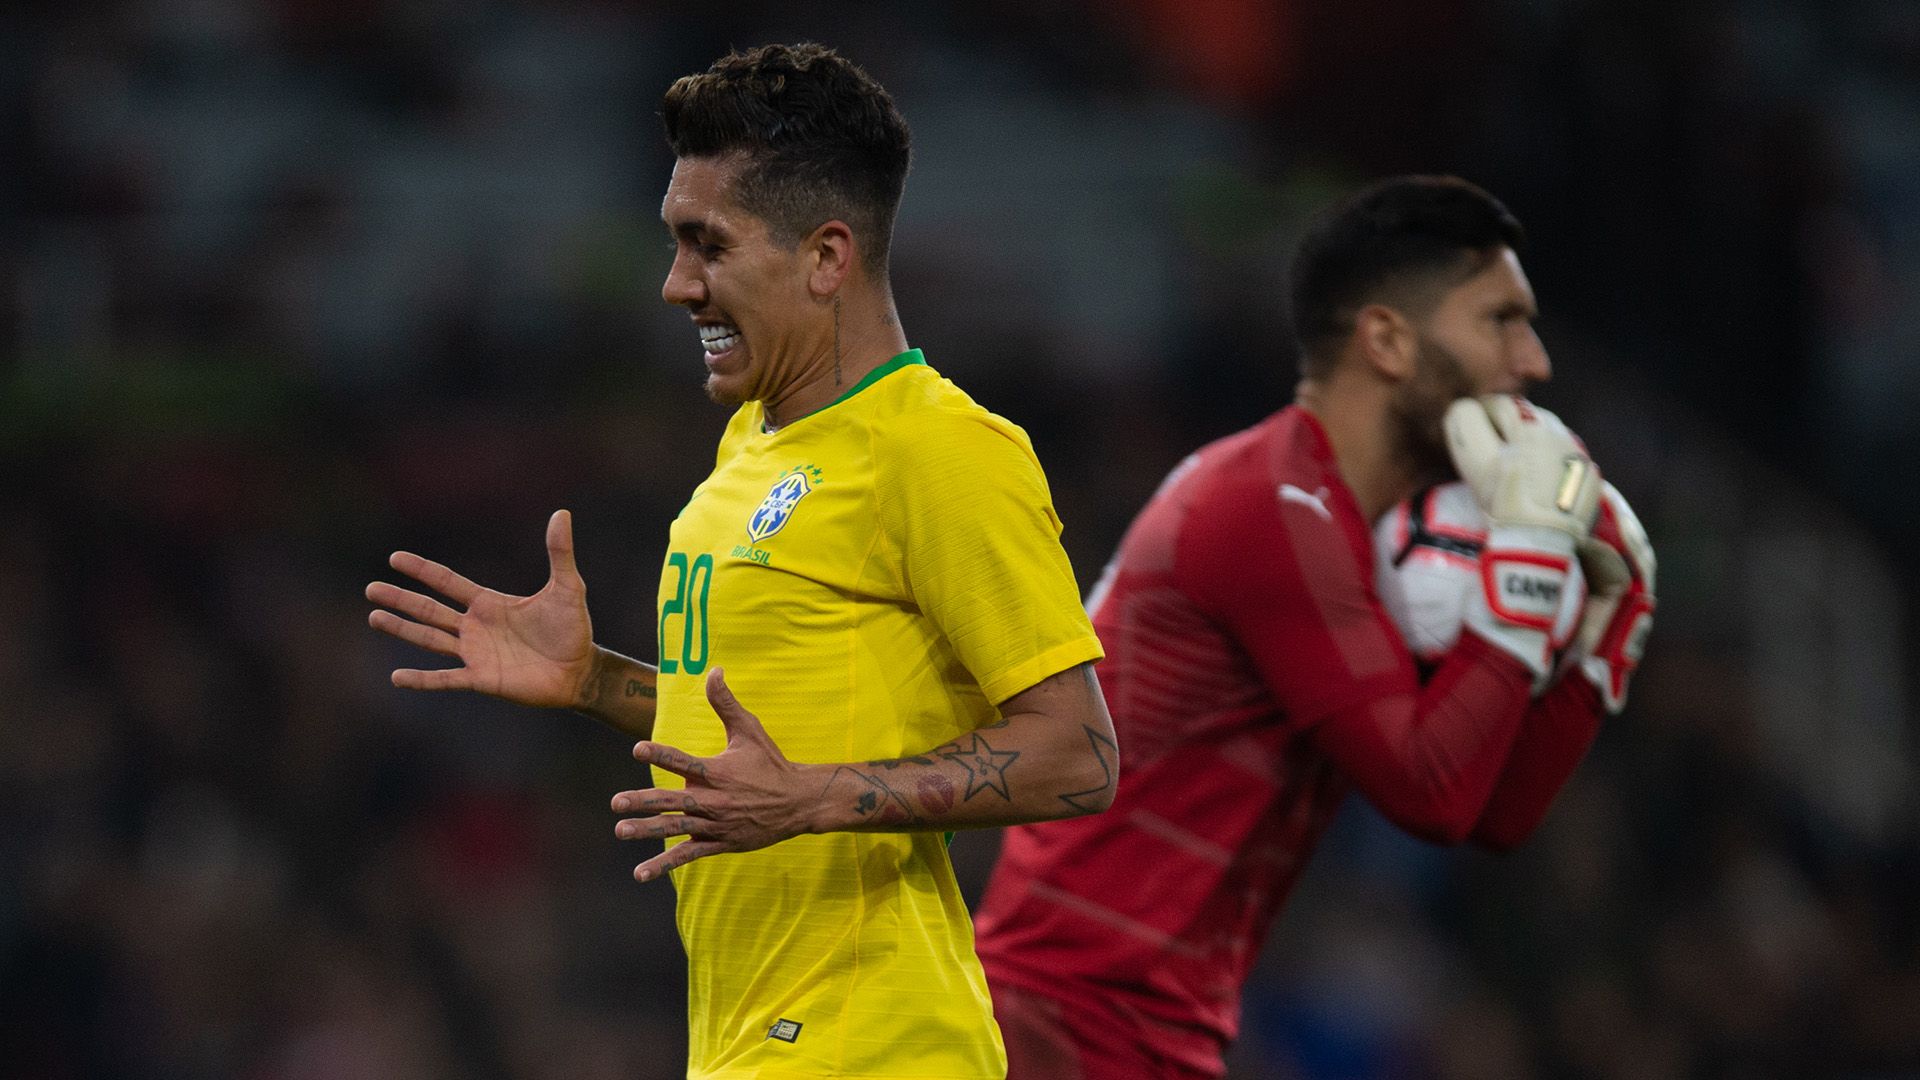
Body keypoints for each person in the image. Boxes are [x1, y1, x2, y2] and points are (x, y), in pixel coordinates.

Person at [366, 43, 1116, 1080]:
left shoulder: (938, 448)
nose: (676, 287)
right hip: (749, 1039)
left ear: (826, 256)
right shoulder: (749, 444)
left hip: (876, 1043)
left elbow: (1080, 755)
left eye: (705, 246)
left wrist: (814, 797)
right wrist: (600, 683)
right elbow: (755, 733)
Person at [972, 176, 1656, 1079]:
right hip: (1058, 1027)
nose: (1531, 361)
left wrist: (1606, 631)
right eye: (1499, 321)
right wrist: (1528, 561)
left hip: (1138, 1031)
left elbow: (1490, 813)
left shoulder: (1345, 528)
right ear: (1387, 340)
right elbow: (1432, 791)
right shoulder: (1269, 507)